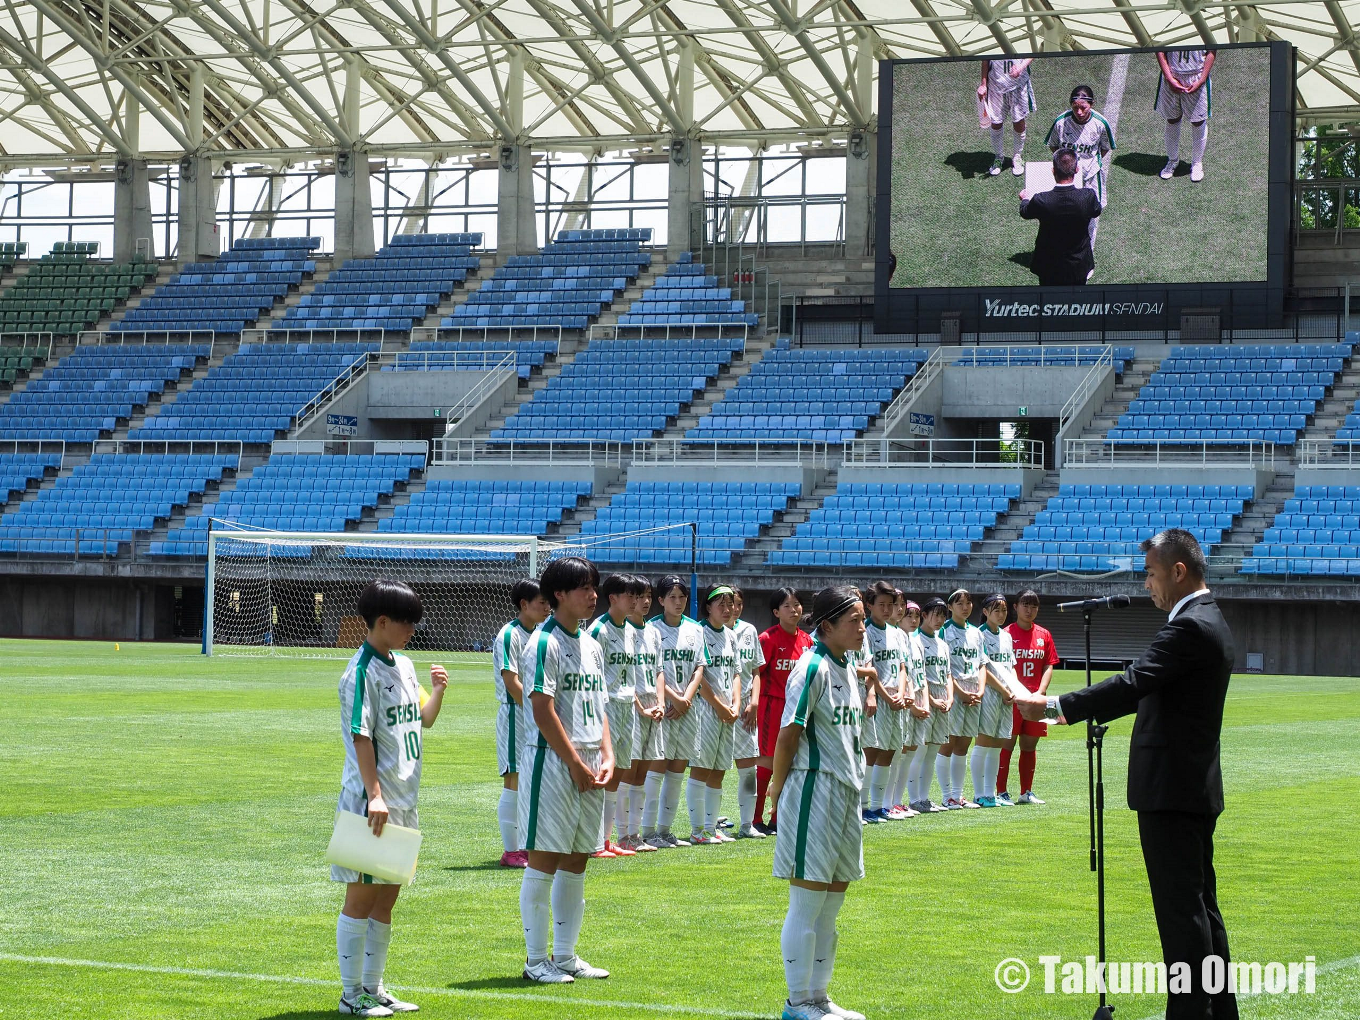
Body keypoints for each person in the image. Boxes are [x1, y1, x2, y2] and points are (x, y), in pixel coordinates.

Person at [1016, 529, 1237, 1020]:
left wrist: (1054, 705)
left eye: (1152, 575)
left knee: (1183, 919)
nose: (1146, 586)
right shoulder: (1206, 618)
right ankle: (1220, 1012)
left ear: (1179, 572)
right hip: (1188, 788)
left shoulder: (1191, 626)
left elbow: (1136, 681)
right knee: (1202, 911)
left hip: (1172, 791)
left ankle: (1191, 1013)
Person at [333, 579, 448, 1017]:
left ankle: (373, 987)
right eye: (407, 623)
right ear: (382, 622)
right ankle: (350, 994)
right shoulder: (360, 673)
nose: (412, 630)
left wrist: (438, 691)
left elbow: (424, 719)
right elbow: (361, 738)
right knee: (360, 898)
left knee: (387, 897)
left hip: (404, 799)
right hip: (370, 802)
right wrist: (375, 796)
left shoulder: (404, 664)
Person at [769, 586, 870, 1020]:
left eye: (864, 620)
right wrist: (776, 789)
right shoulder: (811, 668)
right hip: (815, 790)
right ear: (826, 625)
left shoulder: (847, 666)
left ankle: (820, 996)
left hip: (846, 792)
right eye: (855, 621)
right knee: (808, 902)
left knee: (832, 903)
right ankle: (797, 1002)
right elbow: (789, 733)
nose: (863, 628)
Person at [517, 556, 612, 984]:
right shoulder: (542, 643)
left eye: (594, 587)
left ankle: (566, 955)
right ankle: (536, 961)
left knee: (577, 860)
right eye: (583, 588)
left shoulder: (592, 643)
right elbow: (541, 708)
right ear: (558, 594)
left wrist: (607, 753)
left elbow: (601, 705)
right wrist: (573, 761)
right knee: (544, 860)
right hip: (552, 762)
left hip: (590, 761)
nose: (593, 595)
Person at [491, 579, 551, 868]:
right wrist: (533, 710)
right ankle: (511, 850)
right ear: (524, 605)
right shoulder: (509, 635)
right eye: (542, 603)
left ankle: (524, 846)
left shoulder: (539, 633)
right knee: (513, 778)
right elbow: (510, 679)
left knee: (527, 780)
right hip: (517, 713)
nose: (547, 607)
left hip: (531, 713)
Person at [647, 574, 706, 849]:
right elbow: (651, 670)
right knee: (656, 769)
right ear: (660, 600)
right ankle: (646, 832)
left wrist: (686, 698)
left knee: (677, 771)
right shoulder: (651, 630)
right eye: (672, 597)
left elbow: (700, 667)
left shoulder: (696, 629)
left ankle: (665, 830)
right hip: (662, 708)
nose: (678, 602)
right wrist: (672, 699)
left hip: (687, 708)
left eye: (682, 597)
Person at [587, 574, 639, 859]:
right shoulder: (599, 631)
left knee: (617, 774)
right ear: (613, 598)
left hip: (627, 705)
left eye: (636, 595)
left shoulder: (631, 629)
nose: (635, 600)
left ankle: (607, 840)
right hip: (606, 706)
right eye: (629, 595)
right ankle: (594, 841)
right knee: (602, 770)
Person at [756, 587, 812, 834]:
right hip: (772, 705)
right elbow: (755, 674)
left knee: (791, 762)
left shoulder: (807, 641)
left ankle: (779, 818)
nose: (794, 609)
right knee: (767, 763)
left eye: (797, 604)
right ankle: (756, 818)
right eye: (787, 606)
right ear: (776, 611)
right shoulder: (767, 639)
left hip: (797, 708)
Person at [691, 584, 741, 845]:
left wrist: (735, 703)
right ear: (707, 607)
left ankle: (711, 827)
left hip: (728, 711)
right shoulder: (699, 633)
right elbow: (699, 677)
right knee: (702, 769)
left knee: (719, 770)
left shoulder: (731, 636)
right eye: (720, 604)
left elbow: (735, 673)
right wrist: (719, 706)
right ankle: (697, 830)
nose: (727, 609)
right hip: (706, 711)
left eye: (730, 603)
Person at [1044, 85, 1115, 261]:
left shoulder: (1100, 123)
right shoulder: (1061, 122)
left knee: (1091, 215)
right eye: (1076, 107)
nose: (1080, 112)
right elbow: (1054, 146)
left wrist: (1089, 164)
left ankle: (1086, 255)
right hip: (1068, 178)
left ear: (1092, 104)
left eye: (1084, 107)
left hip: (1092, 176)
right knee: (1064, 214)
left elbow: (1105, 148)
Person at [1001, 589, 1059, 805]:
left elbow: (1049, 664)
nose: (1030, 609)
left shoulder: (1044, 635)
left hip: (1036, 699)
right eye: (1025, 605)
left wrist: (1041, 692)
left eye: (1034, 606)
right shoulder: (1005, 634)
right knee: (1006, 745)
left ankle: (1026, 792)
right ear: (1015, 607)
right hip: (1012, 699)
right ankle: (1001, 792)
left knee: (1029, 745)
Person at [1019, 147, 1103, 286]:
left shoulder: (1042, 199)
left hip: (1049, 265)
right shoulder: (1088, 196)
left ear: (1053, 170)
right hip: (1078, 264)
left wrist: (1025, 199)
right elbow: (1097, 210)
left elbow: (1025, 212)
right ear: (1076, 170)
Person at [622, 575, 662, 852]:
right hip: (631, 708)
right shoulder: (620, 631)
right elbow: (620, 676)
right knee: (627, 772)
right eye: (638, 596)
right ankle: (621, 835)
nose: (645, 602)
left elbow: (659, 669)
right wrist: (640, 707)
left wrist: (659, 701)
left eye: (648, 596)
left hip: (653, 708)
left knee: (642, 775)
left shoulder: (654, 632)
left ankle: (635, 836)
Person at [862, 580, 907, 821]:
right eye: (882, 604)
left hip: (895, 700)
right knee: (871, 751)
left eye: (891, 604)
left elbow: (902, 667)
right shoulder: (865, 630)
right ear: (869, 605)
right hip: (877, 700)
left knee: (890, 750)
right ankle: (863, 805)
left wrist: (900, 693)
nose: (888, 609)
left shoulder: (897, 633)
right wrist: (887, 696)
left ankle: (879, 806)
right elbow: (870, 670)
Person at [939, 589, 987, 809]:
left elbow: (982, 664)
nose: (965, 607)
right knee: (948, 743)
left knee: (964, 745)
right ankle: (946, 795)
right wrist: (959, 691)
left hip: (973, 693)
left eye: (968, 603)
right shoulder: (944, 631)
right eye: (960, 604)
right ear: (950, 607)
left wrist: (980, 690)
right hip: (953, 691)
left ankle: (958, 795)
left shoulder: (977, 633)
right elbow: (943, 667)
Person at [974, 594, 1021, 808]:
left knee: (997, 746)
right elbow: (983, 668)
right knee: (984, 743)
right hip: (990, 693)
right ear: (985, 612)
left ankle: (990, 793)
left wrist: (1013, 688)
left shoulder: (1007, 636)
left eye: (1003, 610)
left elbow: (1010, 665)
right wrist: (1003, 689)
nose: (1001, 615)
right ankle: (978, 794)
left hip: (1006, 695)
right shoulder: (979, 635)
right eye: (996, 610)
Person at [729, 587, 768, 838]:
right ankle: (704, 826)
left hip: (745, 708)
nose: (734, 608)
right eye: (730, 603)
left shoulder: (749, 630)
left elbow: (755, 670)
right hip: (716, 707)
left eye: (739, 604)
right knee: (711, 769)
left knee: (748, 767)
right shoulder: (704, 631)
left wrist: (754, 703)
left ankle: (746, 825)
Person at [909, 597, 952, 814]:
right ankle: (914, 798)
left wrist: (950, 697)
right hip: (924, 698)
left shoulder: (942, 643)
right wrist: (932, 701)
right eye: (935, 614)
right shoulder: (915, 641)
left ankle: (924, 798)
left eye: (943, 615)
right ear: (924, 615)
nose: (939, 619)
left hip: (942, 698)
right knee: (920, 750)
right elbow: (920, 674)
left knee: (932, 751)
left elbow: (949, 674)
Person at [889, 596, 926, 817]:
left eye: (915, 615)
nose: (911, 618)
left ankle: (897, 800)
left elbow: (915, 674)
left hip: (913, 699)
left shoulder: (915, 640)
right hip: (897, 701)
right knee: (895, 753)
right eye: (904, 611)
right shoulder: (897, 637)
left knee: (908, 752)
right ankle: (887, 801)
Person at [1157, 48, 1215, 182]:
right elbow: (1159, 50)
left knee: (1198, 121)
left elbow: (1212, 50)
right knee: (1172, 119)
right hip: (1171, 75)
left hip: (1197, 75)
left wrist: (1202, 79)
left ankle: (1196, 163)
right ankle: (1172, 160)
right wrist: (1169, 78)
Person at [978, 57, 1036, 177]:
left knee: (1019, 120)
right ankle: (999, 157)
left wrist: (1021, 67)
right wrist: (983, 84)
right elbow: (985, 60)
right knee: (996, 121)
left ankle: (1017, 156)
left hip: (1018, 85)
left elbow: (1033, 51)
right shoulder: (992, 39)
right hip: (996, 85)